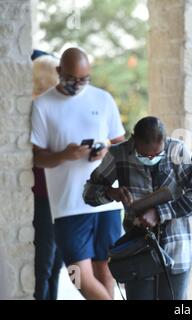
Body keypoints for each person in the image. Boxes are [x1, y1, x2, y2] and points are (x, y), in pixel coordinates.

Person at [31, 47, 126, 300]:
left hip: (105, 201)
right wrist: (64, 155)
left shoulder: (103, 99)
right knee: (78, 275)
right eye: (72, 79)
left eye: (84, 79)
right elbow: (37, 157)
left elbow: (120, 144)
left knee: (106, 268)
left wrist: (104, 149)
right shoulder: (43, 105)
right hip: (67, 207)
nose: (78, 85)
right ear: (59, 72)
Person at [83, 116, 192, 300]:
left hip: (176, 249)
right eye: (144, 155)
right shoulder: (119, 153)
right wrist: (112, 193)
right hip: (136, 254)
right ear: (134, 140)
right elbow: (89, 193)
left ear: (165, 141)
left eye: (156, 155)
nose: (150, 158)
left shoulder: (177, 151)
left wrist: (159, 213)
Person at [31, 50, 64, 300]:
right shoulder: (35, 110)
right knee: (44, 264)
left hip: (61, 194)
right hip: (43, 195)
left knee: (55, 265)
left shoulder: (56, 109)